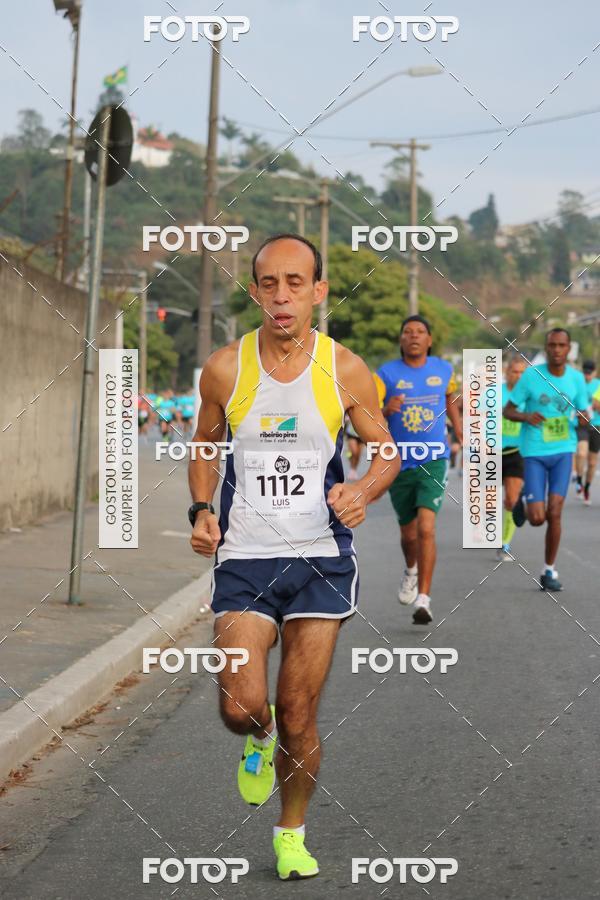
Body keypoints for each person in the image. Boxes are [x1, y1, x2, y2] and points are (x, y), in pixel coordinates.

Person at [188, 234, 399, 881]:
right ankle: (258, 736)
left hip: (320, 560)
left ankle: (291, 832)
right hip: (245, 559)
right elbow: (204, 443)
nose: (283, 297)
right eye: (270, 284)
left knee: (300, 712)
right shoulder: (226, 367)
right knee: (241, 706)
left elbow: (386, 448)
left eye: (296, 283)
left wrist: (361, 490)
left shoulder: (347, 369)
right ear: (254, 292)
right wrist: (200, 511)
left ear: (319, 291)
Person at [374, 315, 462, 625]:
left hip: (433, 459)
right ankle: (410, 569)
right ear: (401, 340)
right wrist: (386, 410)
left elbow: (450, 400)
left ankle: (424, 599)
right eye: (407, 332)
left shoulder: (443, 369)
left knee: (426, 528)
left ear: (429, 340)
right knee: (408, 534)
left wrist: (461, 431)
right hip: (399, 462)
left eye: (420, 332)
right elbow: (370, 415)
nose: (413, 336)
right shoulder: (386, 373)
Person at [504, 328, 588, 591]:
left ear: (569, 348)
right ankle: (522, 501)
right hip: (534, 453)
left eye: (562, 345)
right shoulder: (531, 375)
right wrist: (527, 417)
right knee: (538, 518)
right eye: (552, 345)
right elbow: (508, 410)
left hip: (564, 451)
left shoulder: (576, 379)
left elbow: (583, 411)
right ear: (546, 346)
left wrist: (583, 418)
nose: (556, 350)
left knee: (555, 512)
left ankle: (549, 570)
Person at [498, 356, 527, 561]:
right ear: (507, 372)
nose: (518, 376)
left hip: (517, 452)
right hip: (491, 452)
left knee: (511, 499)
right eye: (515, 371)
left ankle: (504, 543)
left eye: (522, 372)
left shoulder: (529, 395)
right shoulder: (494, 393)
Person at [574, 360, 600, 505]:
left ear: (594, 373)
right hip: (582, 424)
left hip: (597, 425)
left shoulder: (598, 385)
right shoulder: (579, 384)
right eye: (585, 373)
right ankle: (578, 480)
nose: (587, 376)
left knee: (591, 463)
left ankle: (587, 488)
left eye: (589, 373)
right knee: (581, 453)